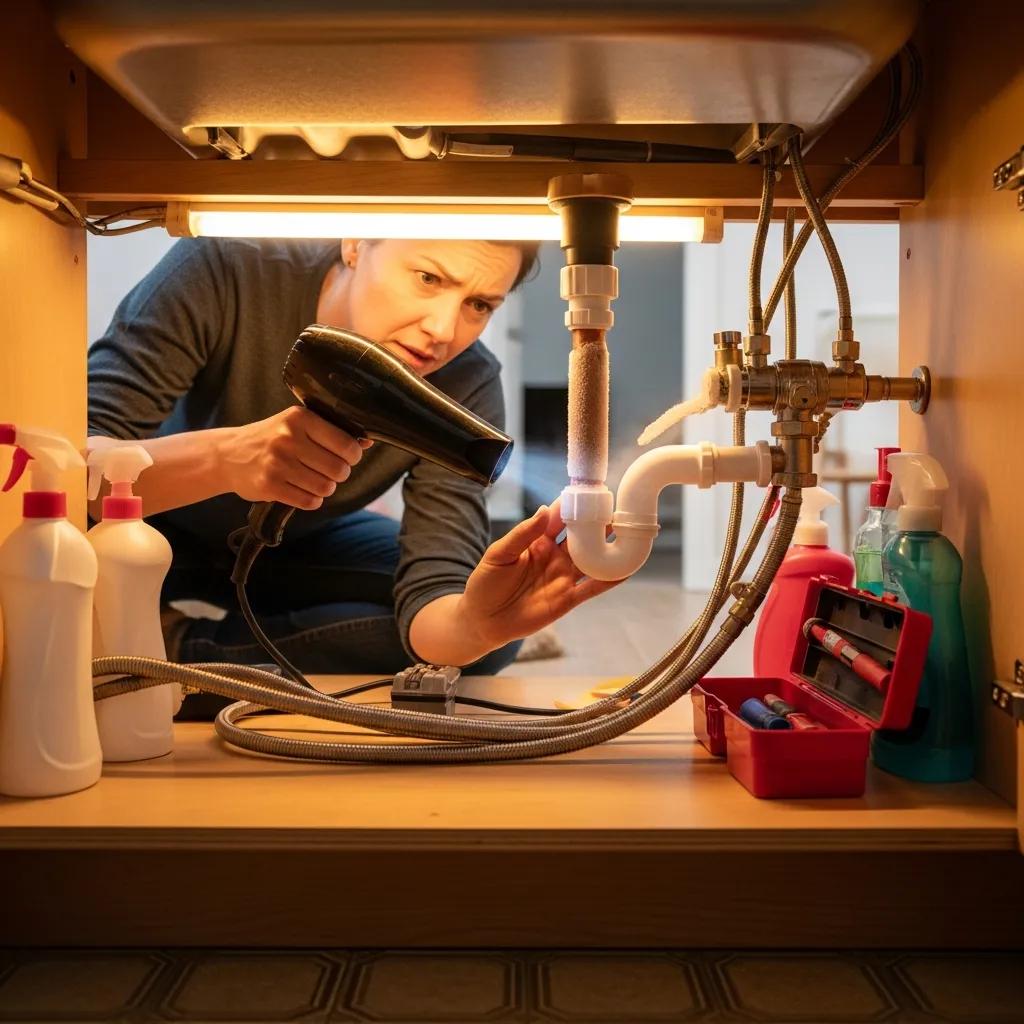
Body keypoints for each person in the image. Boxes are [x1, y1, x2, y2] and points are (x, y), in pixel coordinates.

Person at [88, 235, 619, 686]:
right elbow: (78, 467)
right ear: (355, 244)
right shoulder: (225, 267)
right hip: (139, 532)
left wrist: (479, 625)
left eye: (479, 305)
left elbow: (437, 584)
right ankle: (154, 639)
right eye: (428, 279)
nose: (443, 329)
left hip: (291, 541)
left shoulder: (467, 382)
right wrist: (224, 460)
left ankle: (180, 647)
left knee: (487, 638)